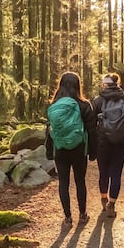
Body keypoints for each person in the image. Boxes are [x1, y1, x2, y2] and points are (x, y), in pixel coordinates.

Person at [45, 71, 97, 226]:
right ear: (77, 86)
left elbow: (49, 130)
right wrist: (93, 152)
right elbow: (92, 130)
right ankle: (82, 215)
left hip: (60, 149)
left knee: (63, 183)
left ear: (60, 85)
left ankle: (67, 218)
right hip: (79, 149)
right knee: (80, 181)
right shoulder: (84, 105)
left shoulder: (54, 106)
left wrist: (49, 151)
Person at [92, 73, 124, 218]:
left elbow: (91, 125)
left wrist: (91, 147)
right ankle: (111, 204)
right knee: (116, 173)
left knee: (103, 172)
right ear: (118, 84)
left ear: (104, 84)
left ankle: (103, 198)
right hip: (121, 142)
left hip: (102, 142)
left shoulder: (97, 101)